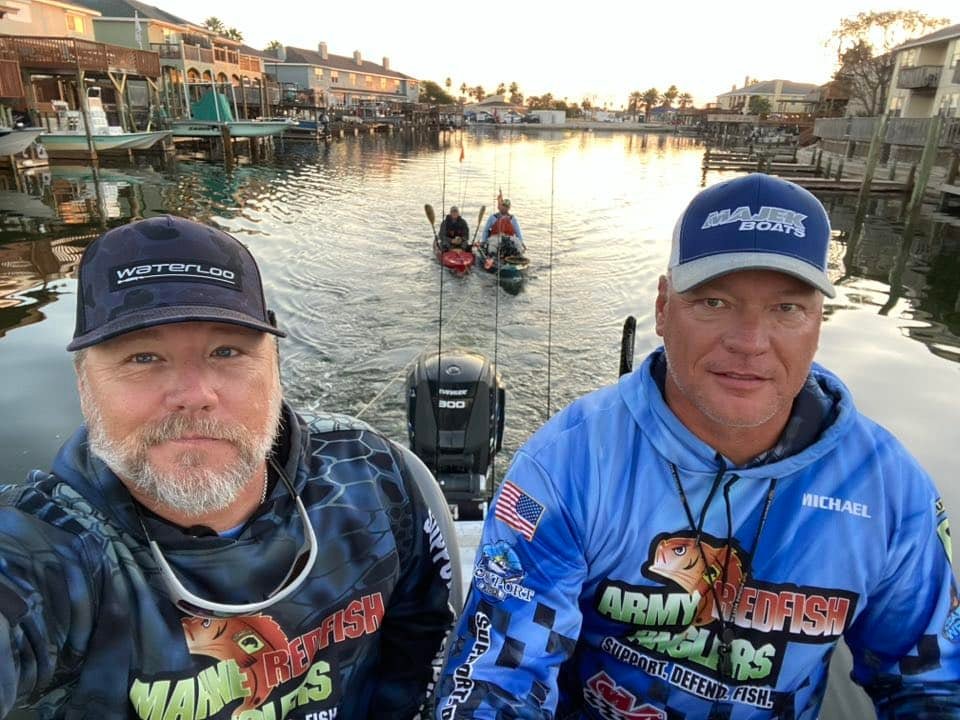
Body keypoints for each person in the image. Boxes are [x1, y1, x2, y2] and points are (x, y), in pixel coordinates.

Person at [436, 174, 960, 718]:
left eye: (786, 309)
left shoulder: (889, 491)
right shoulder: (569, 466)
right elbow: (500, 676)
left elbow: (933, 682)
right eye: (714, 301)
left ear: (817, 324)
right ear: (663, 308)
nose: (750, 342)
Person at [0, 216, 455, 719]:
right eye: (143, 357)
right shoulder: (46, 550)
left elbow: (422, 637)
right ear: (84, 383)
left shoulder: (370, 474)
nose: (195, 395)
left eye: (226, 351)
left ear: (275, 367)